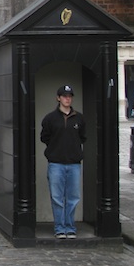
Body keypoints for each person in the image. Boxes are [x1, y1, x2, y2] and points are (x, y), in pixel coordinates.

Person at [40, 85, 86, 240]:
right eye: (64, 96)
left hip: (74, 163)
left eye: (69, 96)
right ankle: (59, 227)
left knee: (73, 198)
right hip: (56, 163)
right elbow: (45, 137)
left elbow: (82, 137)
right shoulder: (50, 119)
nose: (67, 99)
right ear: (58, 98)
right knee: (57, 198)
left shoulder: (79, 118)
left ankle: (70, 227)